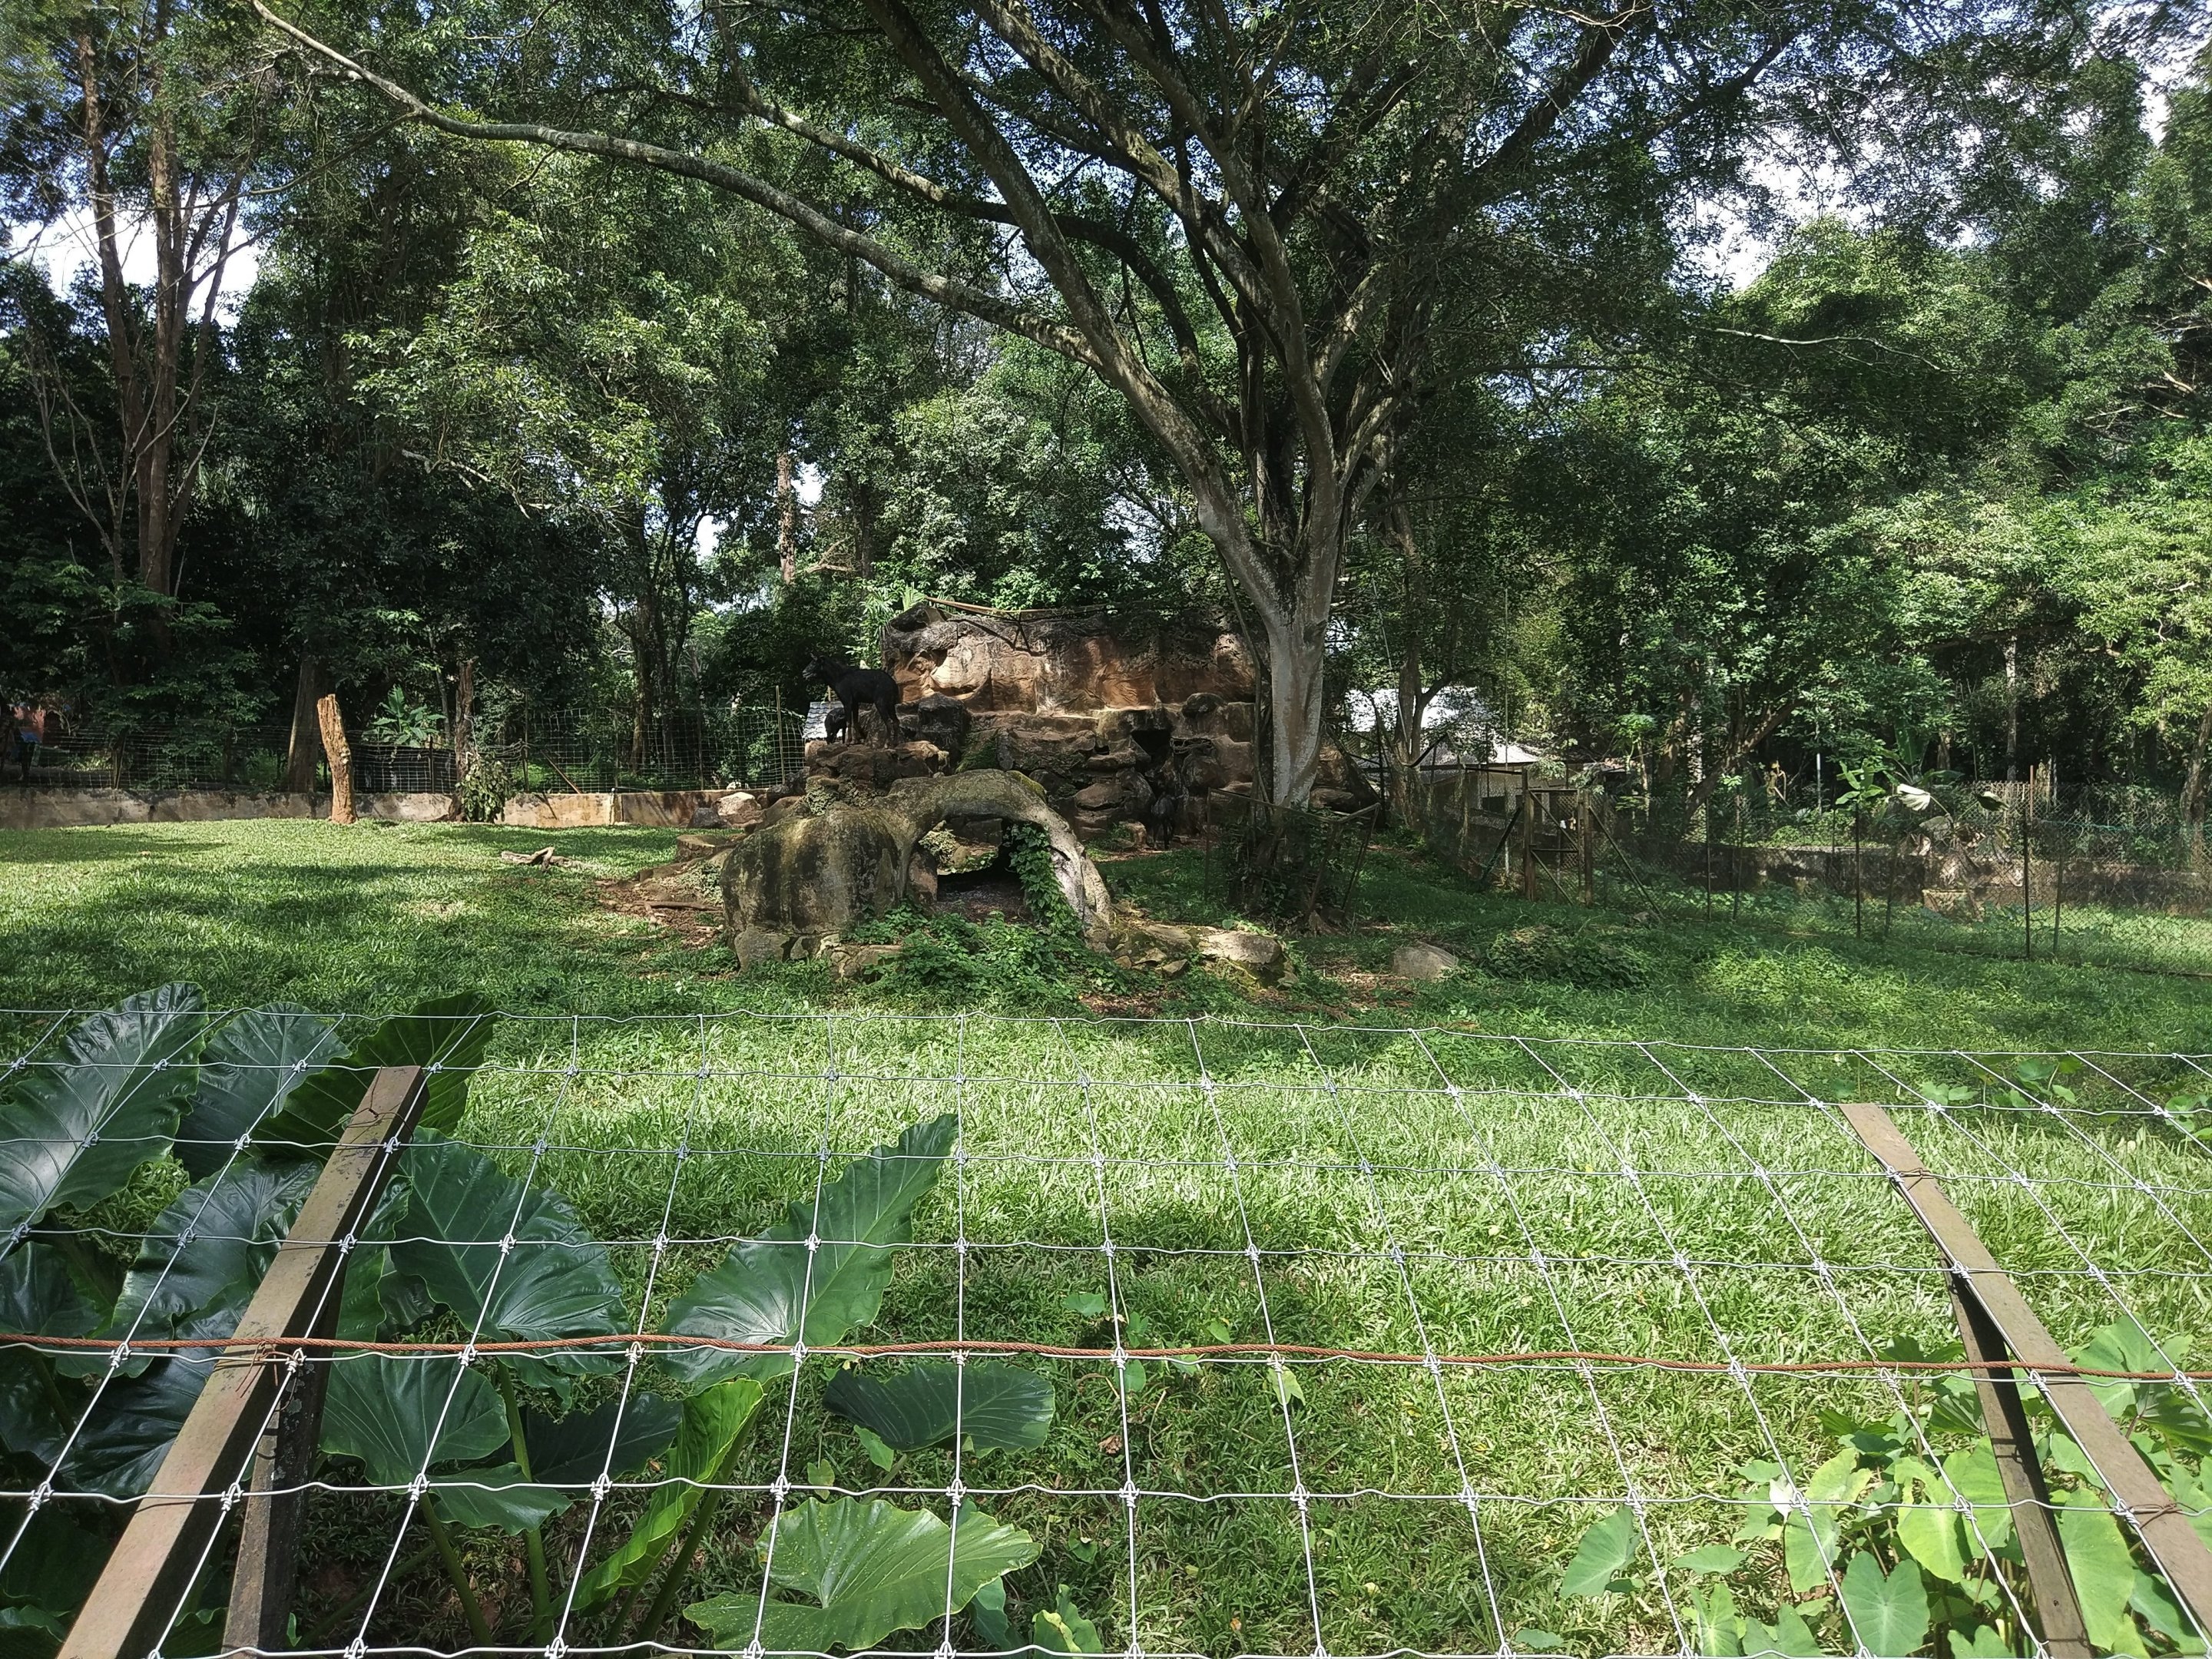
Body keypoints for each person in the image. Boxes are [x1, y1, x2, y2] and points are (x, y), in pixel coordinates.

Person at [10, 699, 45, 785]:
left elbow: (36, 727)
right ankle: (25, 774)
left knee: (28, 755)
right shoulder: (27, 713)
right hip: (27, 737)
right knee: (25, 755)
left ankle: (25, 774)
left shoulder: (35, 715)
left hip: (32, 737)